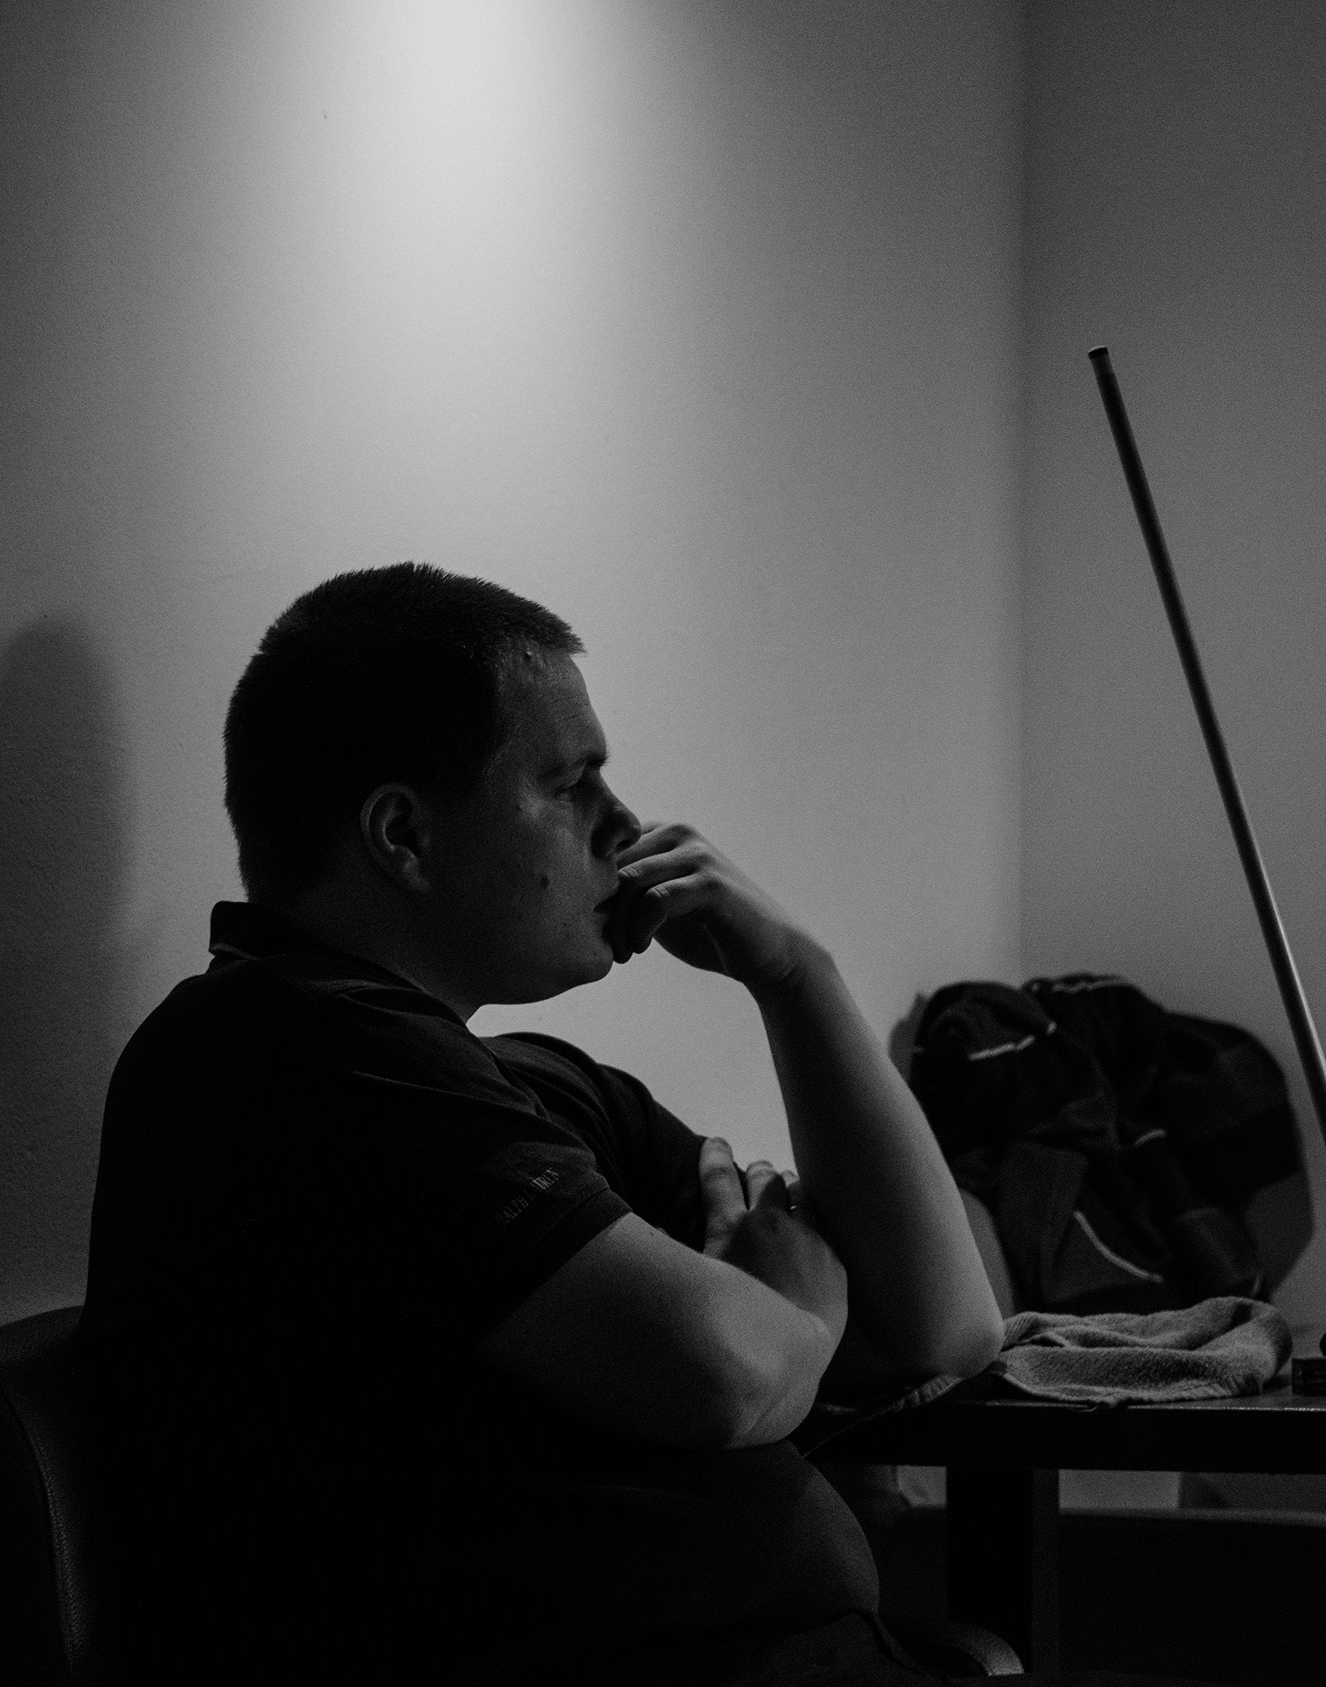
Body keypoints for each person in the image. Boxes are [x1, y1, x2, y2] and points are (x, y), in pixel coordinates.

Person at [81, 563, 1005, 1685]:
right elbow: (725, 1375)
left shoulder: (519, 1092)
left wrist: (796, 978)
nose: (626, 827)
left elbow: (940, 1329)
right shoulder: (292, 1053)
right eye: (571, 783)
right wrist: (796, 1311)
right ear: (403, 835)